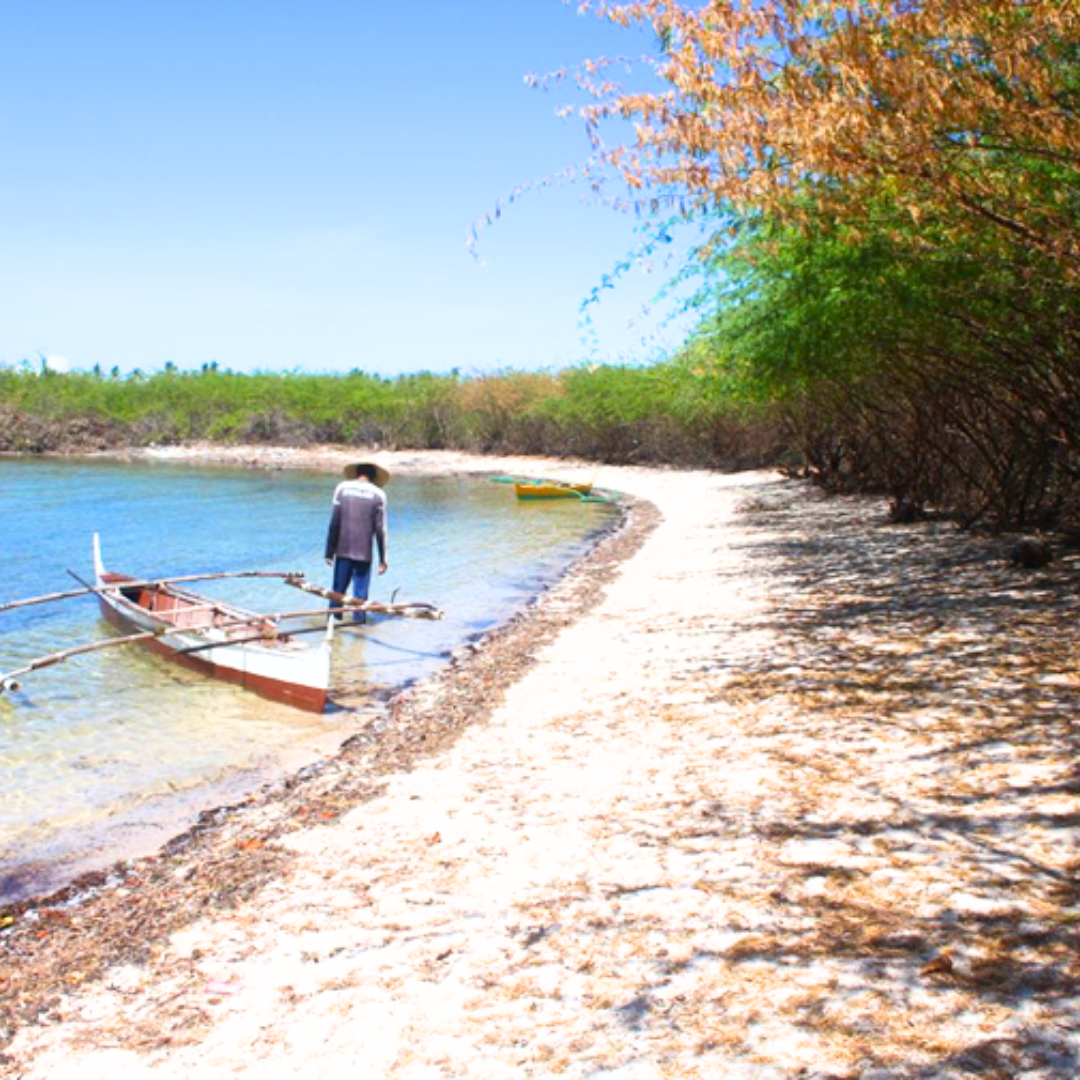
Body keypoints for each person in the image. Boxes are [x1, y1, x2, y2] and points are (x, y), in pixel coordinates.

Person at [324, 461, 389, 623]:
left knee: (337, 592)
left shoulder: (342, 488)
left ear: (357, 473)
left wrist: (329, 552)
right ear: (373, 476)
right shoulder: (379, 494)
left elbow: (334, 522)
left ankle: (332, 625)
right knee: (360, 597)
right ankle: (358, 629)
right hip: (364, 554)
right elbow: (381, 530)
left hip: (343, 550)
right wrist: (383, 559)